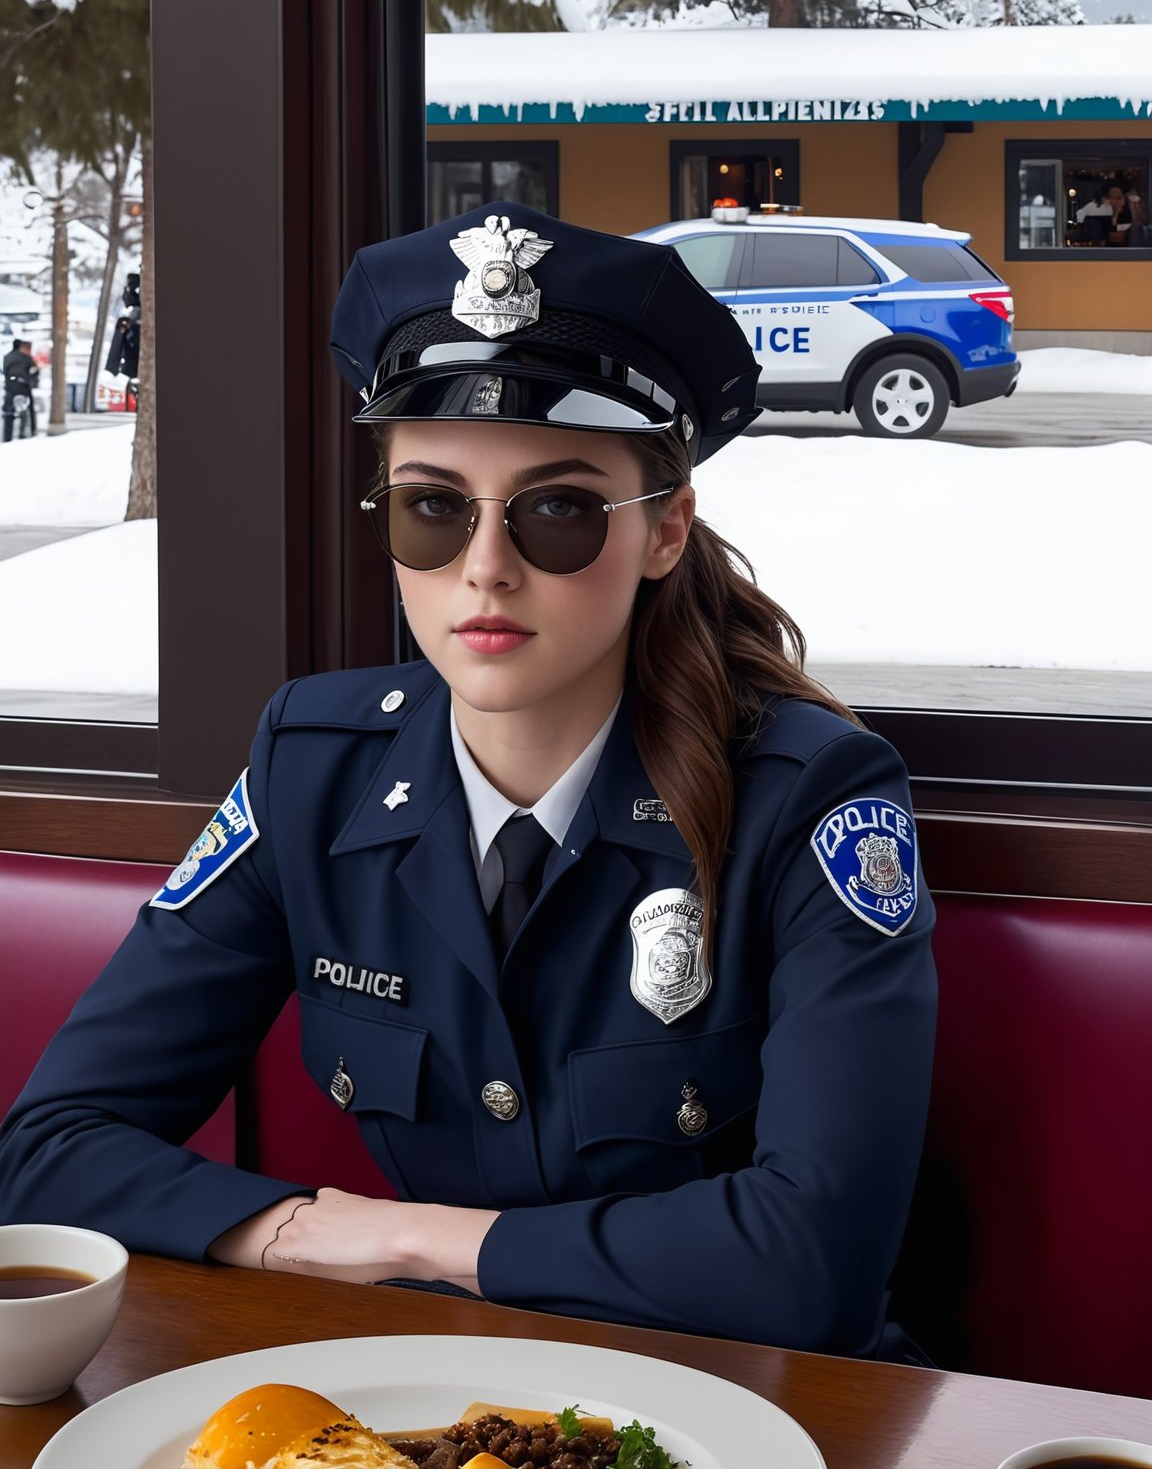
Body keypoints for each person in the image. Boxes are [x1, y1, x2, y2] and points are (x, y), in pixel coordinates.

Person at [0, 204, 936, 1358]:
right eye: (433, 507)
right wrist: (294, 1232)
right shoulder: (312, 769)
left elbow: (814, 1271)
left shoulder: (813, 800)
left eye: (557, 511)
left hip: (754, 1410)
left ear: (665, 530)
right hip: (437, 1404)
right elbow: (48, 1147)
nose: (484, 568)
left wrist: (416, 1242)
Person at [2, 338, 39, 441]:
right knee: (26, 413)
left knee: (9, 414)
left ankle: (7, 438)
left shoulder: (6, 357)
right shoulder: (27, 357)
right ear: (20, 347)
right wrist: (33, 382)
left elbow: (5, 371)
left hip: (10, 388)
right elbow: (35, 370)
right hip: (24, 388)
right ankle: (28, 434)